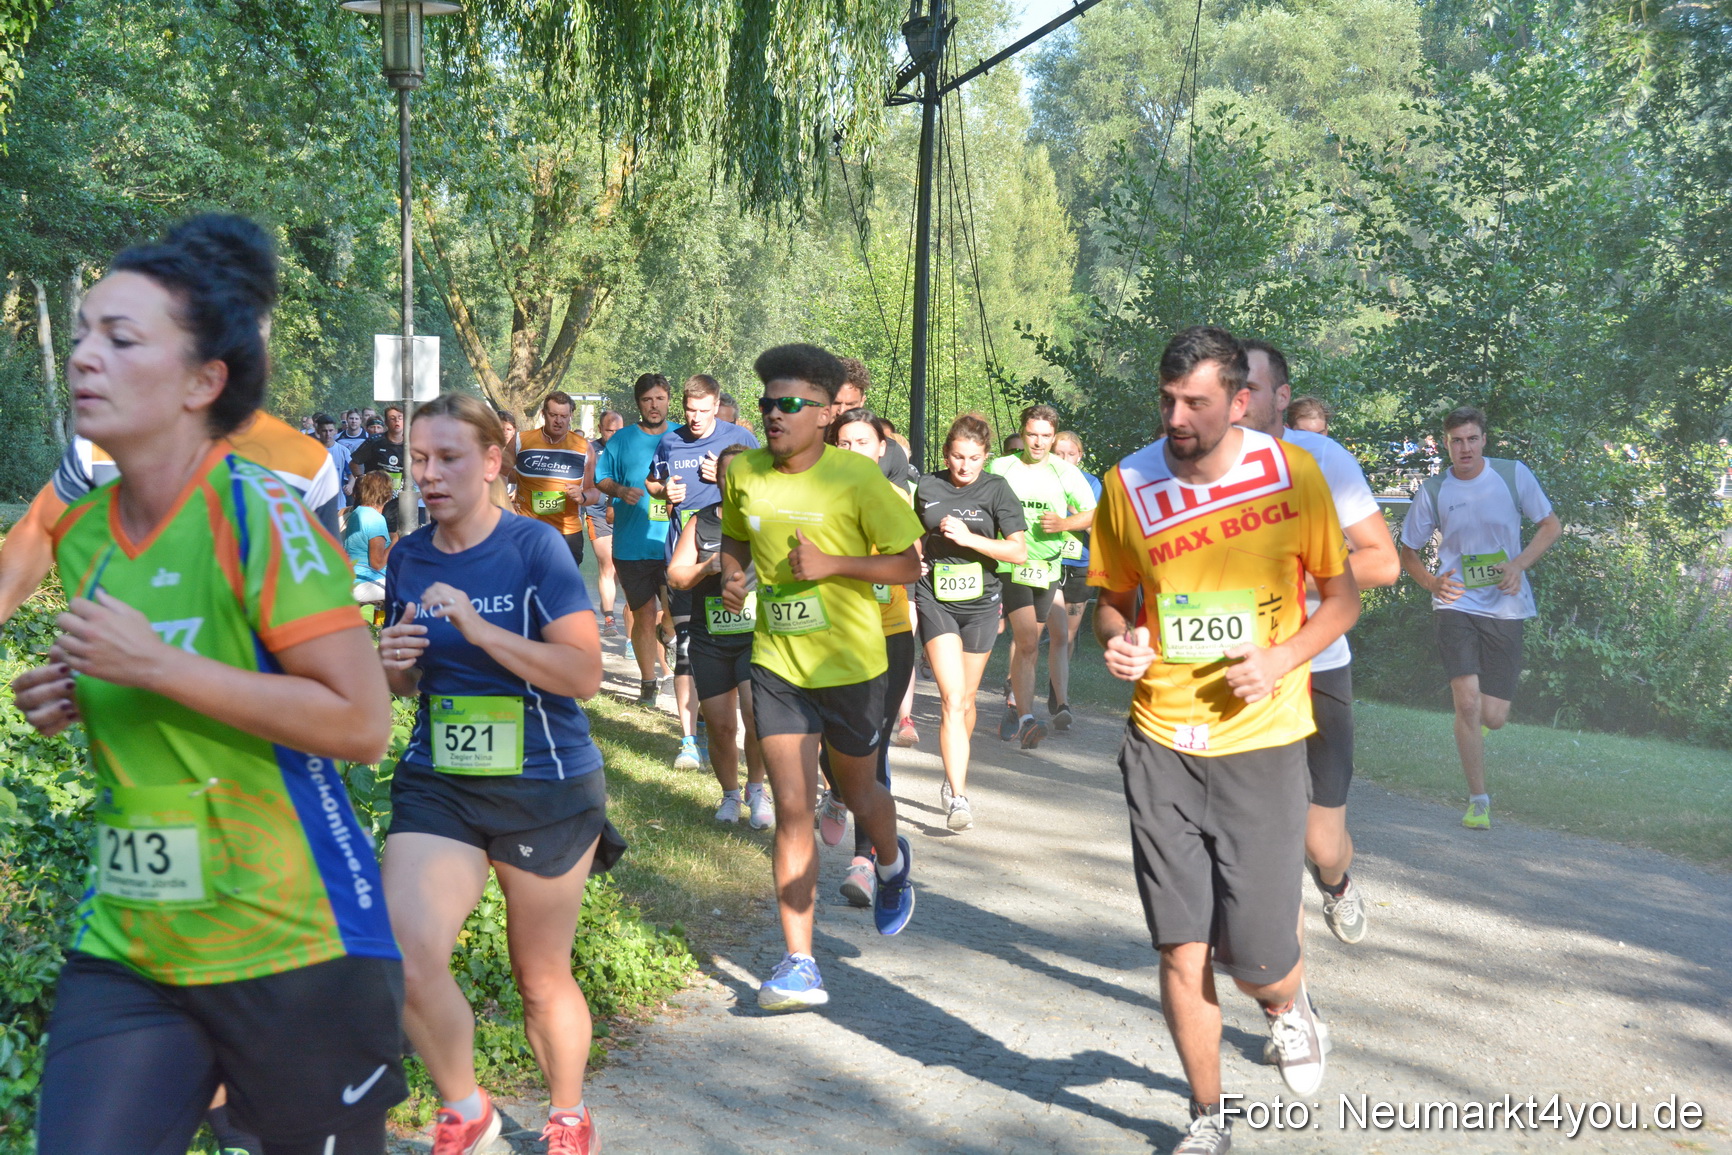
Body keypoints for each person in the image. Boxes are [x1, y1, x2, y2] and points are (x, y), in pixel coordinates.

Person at [11, 214, 404, 1155]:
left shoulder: (258, 515)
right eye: (82, 336)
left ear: (203, 382)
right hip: (135, 937)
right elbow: (150, 684)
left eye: (121, 339)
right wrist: (71, 694)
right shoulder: (91, 530)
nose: (85, 359)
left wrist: (159, 668)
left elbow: (360, 722)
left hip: (293, 939)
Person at [1091, 326, 1359, 1154]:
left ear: (1240, 401)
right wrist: (1120, 638)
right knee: (1180, 948)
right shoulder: (1127, 482)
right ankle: (1209, 1117)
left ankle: (1287, 1002)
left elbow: (1343, 600)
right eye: (1166, 399)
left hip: (1264, 740)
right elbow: (1112, 593)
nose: (1175, 416)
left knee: (1259, 960)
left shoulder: (1292, 474)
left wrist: (1280, 656)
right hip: (1161, 738)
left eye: (1195, 402)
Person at [377, 393, 622, 1155]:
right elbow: (405, 682)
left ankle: (568, 1113)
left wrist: (481, 629)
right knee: (405, 950)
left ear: (491, 462)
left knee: (538, 973)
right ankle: (465, 1106)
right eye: (419, 459)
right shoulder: (409, 555)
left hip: (544, 783)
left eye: (448, 458)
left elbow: (582, 671)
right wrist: (395, 667)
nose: (430, 474)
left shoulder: (533, 549)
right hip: (441, 781)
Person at [719, 344, 922, 1010]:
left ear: (824, 411)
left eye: (789, 405)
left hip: (854, 665)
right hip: (778, 660)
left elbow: (908, 565)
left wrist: (835, 564)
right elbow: (736, 535)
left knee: (860, 792)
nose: (773, 415)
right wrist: (729, 570)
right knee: (794, 807)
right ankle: (799, 961)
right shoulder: (744, 471)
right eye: (766, 404)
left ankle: (891, 863)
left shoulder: (858, 480)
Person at [1242, 339, 1399, 947]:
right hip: (1243, 671)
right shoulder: (1200, 462)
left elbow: (1383, 563)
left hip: (1317, 662)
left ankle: (1335, 884)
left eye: (1252, 388)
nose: (1239, 399)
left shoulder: (1323, 459)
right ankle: (1286, 995)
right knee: (1263, 836)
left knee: (1321, 843)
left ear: (1282, 397)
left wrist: (1299, 574)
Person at [0, 410, 343, 628]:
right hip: (122, 703)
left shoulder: (306, 461)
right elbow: (40, 532)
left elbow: (325, 608)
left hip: (249, 713)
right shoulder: (98, 446)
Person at [1398, 406, 1561, 830]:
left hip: (1506, 604)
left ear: (1484, 440)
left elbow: (1550, 525)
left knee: (1494, 716)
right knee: (1466, 702)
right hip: (1457, 603)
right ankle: (1478, 800)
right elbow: (1408, 552)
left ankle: (1479, 729)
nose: (1464, 447)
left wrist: (1518, 565)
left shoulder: (1512, 475)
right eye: (1456, 441)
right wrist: (1432, 584)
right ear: (1446, 444)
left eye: (1472, 439)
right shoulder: (1434, 490)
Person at [816, 409, 918, 899]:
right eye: (845, 442)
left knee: (871, 747)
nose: (853, 450)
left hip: (887, 636)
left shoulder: (895, 497)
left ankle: (863, 861)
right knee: (823, 742)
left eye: (863, 442)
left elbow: (909, 565)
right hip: (830, 634)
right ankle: (837, 790)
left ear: (882, 449)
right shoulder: (817, 492)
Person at [913, 413, 1026, 833]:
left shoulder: (997, 489)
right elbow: (913, 533)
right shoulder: (927, 485)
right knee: (951, 697)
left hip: (981, 602)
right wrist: (914, 558)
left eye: (974, 458)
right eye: (958, 457)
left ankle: (951, 774)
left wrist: (969, 539)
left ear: (985, 457)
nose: (965, 466)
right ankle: (958, 798)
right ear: (947, 453)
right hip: (935, 598)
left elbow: (1018, 552)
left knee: (967, 700)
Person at [649, 375, 761, 772]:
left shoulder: (741, 441)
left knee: (745, 671)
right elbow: (655, 483)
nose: (695, 419)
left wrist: (727, 477)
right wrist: (664, 493)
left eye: (703, 411)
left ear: (716, 406)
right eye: (689, 411)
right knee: (684, 649)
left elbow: (766, 485)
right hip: (688, 552)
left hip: (736, 563)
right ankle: (688, 741)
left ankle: (753, 766)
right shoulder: (670, 440)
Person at [667, 443, 770, 827]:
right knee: (722, 725)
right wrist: (705, 568)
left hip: (755, 634)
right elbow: (675, 575)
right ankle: (730, 795)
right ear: (718, 478)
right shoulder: (702, 521)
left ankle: (757, 790)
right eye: (727, 475)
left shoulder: (767, 518)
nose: (734, 482)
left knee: (756, 714)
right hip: (709, 635)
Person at [988, 405, 1097, 747]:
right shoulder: (1001, 466)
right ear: (1022, 433)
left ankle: (1015, 705)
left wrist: (1064, 523)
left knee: (1029, 646)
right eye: (1032, 434)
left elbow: (1095, 514)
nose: (1038, 442)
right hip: (1009, 564)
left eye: (1045, 436)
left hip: (1046, 568)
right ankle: (1026, 717)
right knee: (1029, 642)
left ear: (1054, 436)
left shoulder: (1065, 472)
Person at [595, 373, 673, 705]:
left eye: (659, 398)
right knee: (643, 615)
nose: (654, 406)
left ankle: (668, 639)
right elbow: (601, 479)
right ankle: (649, 682)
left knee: (672, 615)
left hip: (674, 544)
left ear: (669, 399)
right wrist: (620, 490)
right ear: (638, 403)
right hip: (632, 545)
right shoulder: (622, 440)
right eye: (647, 400)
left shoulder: (681, 436)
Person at [1045, 431, 1103, 731]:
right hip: (1047, 562)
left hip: (1080, 564)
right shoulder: (1040, 477)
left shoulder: (1093, 484)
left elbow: (1096, 522)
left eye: (1071, 454)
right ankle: (1013, 690)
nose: (1065, 459)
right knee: (1033, 630)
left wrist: (1073, 514)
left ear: (1080, 455)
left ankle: (1058, 695)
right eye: (1059, 453)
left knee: (1066, 636)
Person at [512, 390, 596, 569]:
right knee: (528, 589)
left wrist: (582, 497)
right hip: (528, 530)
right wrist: (504, 506)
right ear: (543, 414)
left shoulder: (583, 448)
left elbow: (594, 491)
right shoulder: (521, 441)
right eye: (553, 415)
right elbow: (497, 475)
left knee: (562, 591)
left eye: (564, 416)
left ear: (571, 416)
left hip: (567, 533)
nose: (559, 421)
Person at [586, 410, 624, 635]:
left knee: (620, 568)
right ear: (600, 429)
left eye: (618, 430)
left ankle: (607, 601)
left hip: (625, 514)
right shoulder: (590, 450)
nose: (614, 434)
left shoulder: (630, 448)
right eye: (609, 430)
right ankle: (610, 619)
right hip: (598, 513)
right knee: (608, 564)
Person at [351, 406, 407, 533]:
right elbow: (354, 463)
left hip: (395, 499)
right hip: (371, 497)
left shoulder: (412, 443)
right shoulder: (375, 441)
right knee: (367, 532)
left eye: (399, 418)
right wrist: (361, 479)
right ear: (386, 423)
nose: (396, 421)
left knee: (392, 533)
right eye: (392, 418)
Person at [345, 471, 394, 603]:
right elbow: (377, 564)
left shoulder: (358, 512)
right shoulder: (375, 519)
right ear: (387, 494)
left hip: (351, 580)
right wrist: (396, 540)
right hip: (365, 582)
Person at [317, 412, 354, 502]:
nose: (327, 434)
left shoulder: (343, 451)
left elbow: (352, 473)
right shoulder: (312, 450)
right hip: (317, 501)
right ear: (318, 431)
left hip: (338, 501)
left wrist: (350, 486)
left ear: (335, 431)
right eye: (324, 431)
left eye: (330, 430)